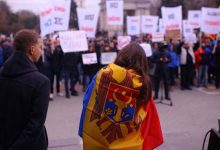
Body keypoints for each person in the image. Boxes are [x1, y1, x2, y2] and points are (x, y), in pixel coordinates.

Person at [79, 43, 163, 150]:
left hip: (98, 140)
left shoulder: (102, 75)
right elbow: (148, 121)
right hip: (130, 145)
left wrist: (83, 131)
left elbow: (87, 103)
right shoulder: (144, 85)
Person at [0, 29, 50, 150]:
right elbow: (35, 126)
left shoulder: (2, 73)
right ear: (31, 49)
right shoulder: (41, 82)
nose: (41, 51)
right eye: (40, 47)